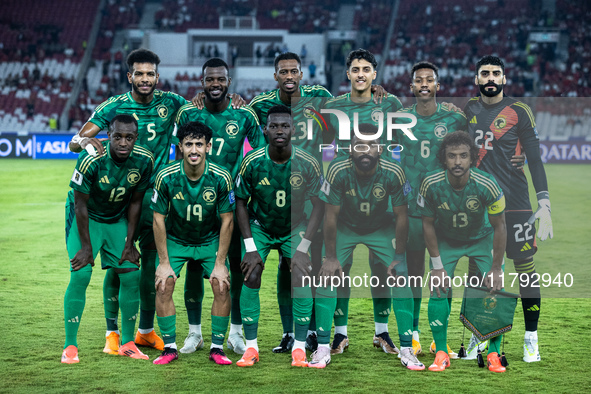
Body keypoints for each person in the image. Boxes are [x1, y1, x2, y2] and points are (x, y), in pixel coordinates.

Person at [68, 49, 189, 353]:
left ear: (157, 77)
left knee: (148, 265)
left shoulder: (172, 102)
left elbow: (200, 115)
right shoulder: (115, 106)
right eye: (140, 73)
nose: (145, 79)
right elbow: (75, 141)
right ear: (130, 76)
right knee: (118, 265)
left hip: (157, 200)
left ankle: (145, 331)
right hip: (123, 200)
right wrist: (86, 141)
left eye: (150, 74)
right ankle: (113, 332)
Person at [308, 124, 423, 371]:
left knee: (400, 276)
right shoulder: (338, 169)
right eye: (359, 145)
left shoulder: (394, 171)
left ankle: (406, 349)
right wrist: (330, 256)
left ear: (380, 149)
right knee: (328, 274)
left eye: (371, 145)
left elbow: (402, 216)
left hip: (380, 227)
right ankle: (324, 346)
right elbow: (330, 215)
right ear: (350, 149)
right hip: (346, 226)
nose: (366, 151)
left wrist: (399, 255)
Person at [464, 55, 552, 362]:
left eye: (496, 73)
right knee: (477, 270)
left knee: (524, 269)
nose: (490, 77)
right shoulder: (469, 110)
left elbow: (535, 158)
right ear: (477, 79)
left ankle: (531, 338)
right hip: (477, 203)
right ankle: (476, 337)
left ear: (504, 79)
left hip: (515, 204)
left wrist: (544, 201)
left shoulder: (519, 111)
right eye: (485, 73)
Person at [175, 58, 265, 356]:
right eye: (210, 79)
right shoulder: (189, 111)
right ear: (202, 82)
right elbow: (176, 150)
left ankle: (236, 334)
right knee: (192, 264)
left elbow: (260, 153)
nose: (215, 84)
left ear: (230, 81)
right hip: (195, 201)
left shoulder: (244, 114)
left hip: (232, 202)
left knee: (237, 267)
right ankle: (194, 333)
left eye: (221, 79)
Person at [248, 52, 332, 352]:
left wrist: (375, 93)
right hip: (278, 192)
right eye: (283, 71)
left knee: (308, 262)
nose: (289, 76)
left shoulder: (320, 96)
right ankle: (290, 333)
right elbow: (240, 116)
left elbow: (346, 110)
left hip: (313, 192)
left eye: (294, 71)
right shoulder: (260, 105)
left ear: (301, 74)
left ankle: (311, 330)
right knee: (287, 265)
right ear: (276, 76)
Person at [322, 48, 404, 355]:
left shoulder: (390, 103)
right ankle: (340, 334)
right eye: (355, 69)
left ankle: (381, 332)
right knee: (338, 266)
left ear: (374, 74)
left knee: (381, 265)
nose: (360, 74)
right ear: (348, 74)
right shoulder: (334, 106)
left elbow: (403, 142)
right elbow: (320, 143)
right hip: (344, 194)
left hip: (379, 193)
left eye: (366, 69)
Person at [234, 105, 324, 367]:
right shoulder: (252, 162)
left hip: (293, 227)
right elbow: (240, 201)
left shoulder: (307, 163)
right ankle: (251, 348)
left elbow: (319, 204)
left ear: (293, 130)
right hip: (260, 225)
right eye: (274, 126)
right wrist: (250, 246)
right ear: (265, 130)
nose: (280, 131)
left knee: (300, 272)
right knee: (250, 273)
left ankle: (298, 347)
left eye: (285, 126)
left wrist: (303, 246)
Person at [62, 115, 154, 363]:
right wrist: (86, 247)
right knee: (81, 273)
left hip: (116, 220)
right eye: (117, 137)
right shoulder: (92, 158)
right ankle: (70, 346)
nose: (123, 142)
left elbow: (135, 203)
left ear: (136, 138)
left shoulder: (144, 160)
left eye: (129, 137)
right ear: (109, 135)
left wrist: (129, 244)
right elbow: (80, 204)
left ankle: (127, 343)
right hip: (88, 219)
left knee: (131, 272)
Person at [393, 61, 467, 357]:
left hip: (443, 210)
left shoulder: (454, 118)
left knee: (442, 275)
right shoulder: (400, 118)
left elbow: (471, 152)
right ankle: (412, 335)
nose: (424, 83)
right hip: (410, 209)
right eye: (418, 80)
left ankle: (440, 337)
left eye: (430, 79)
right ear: (411, 87)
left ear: (438, 86)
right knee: (412, 275)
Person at [418, 131, 507, 373]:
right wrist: (437, 266)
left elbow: (500, 226)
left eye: (463, 156)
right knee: (438, 288)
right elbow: (427, 223)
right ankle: (441, 353)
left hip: (482, 238)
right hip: (447, 240)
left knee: (493, 290)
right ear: (443, 159)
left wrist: (497, 269)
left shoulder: (487, 183)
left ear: (472, 159)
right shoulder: (431, 183)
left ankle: (494, 354)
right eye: (452, 156)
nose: (458, 161)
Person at [151, 121, 234, 365]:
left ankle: (217, 347)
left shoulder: (221, 177)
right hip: (178, 240)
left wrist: (220, 262)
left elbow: (227, 221)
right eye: (189, 144)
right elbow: (158, 218)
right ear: (180, 147)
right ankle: (169, 348)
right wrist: (164, 262)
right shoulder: (166, 176)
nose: (194, 150)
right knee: (163, 284)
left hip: (209, 240)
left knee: (221, 284)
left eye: (199, 144)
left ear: (209, 146)